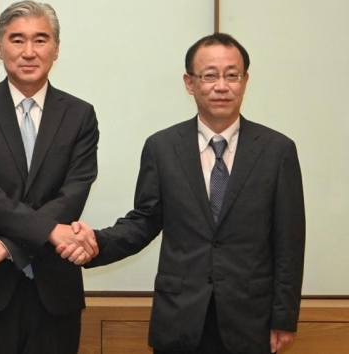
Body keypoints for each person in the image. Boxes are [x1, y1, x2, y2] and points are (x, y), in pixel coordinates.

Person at [65, 33, 306, 354]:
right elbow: (145, 221)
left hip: (252, 319)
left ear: (245, 81)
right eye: (209, 75)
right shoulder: (163, 147)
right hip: (180, 317)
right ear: (190, 83)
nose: (222, 85)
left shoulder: (278, 151)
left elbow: (289, 242)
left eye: (232, 75)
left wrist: (284, 317)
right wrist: (96, 243)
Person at [0, 0, 100, 354]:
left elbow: (73, 195)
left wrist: (5, 248)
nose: (29, 52)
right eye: (17, 40)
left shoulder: (80, 115)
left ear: (57, 49)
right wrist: (40, 234)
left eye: (40, 40)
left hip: (54, 289)